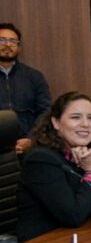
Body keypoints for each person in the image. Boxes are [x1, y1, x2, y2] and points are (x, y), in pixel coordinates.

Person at [16, 92, 91, 242]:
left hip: (82, 237)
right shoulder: (41, 160)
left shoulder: (87, 152)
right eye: (75, 117)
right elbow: (73, 215)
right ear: (56, 122)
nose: (85, 124)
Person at [0, 22, 52, 154]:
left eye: (13, 41)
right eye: (2, 40)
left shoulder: (34, 77)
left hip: (30, 147)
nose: (7, 44)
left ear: (18, 47)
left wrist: (31, 139)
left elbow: (45, 112)